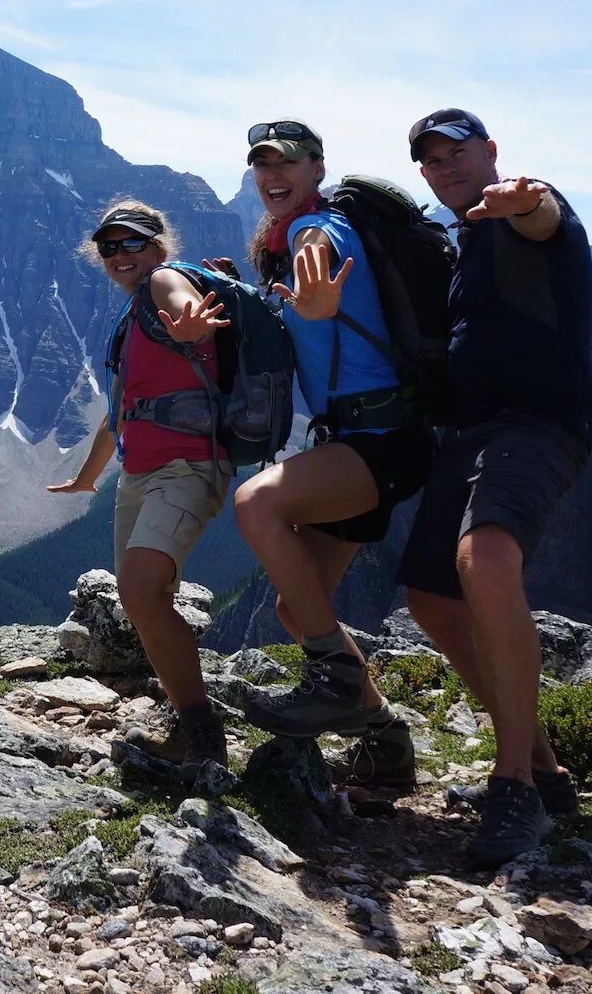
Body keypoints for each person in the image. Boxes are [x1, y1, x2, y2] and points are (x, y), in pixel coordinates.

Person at [400, 107, 592, 868]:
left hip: (536, 427)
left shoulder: (526, 213)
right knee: (431, 597)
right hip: (472, 435)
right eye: (431, 161)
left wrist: (525, 202)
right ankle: (546, 771)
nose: (445, 168)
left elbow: (542, 216)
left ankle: (513, 787)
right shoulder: (467, 242)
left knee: (484, 562)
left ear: (490, 151)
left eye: (457, 152)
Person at [229, 121, 431, 785]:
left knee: (256, 504)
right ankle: (385, 737)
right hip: (359, 441)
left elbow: (320, 263)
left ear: (316, 169)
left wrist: (314, 301)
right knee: (299, 604)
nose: (271, 174)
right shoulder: (290, 240)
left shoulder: (322, 232)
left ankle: (335, 679)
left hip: (380, 442)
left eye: (286, 162)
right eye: (261, 164)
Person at [46, 200, 236, 771]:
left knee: (144, 593)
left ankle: (203, 736)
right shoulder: (133, 319)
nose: (120, 255)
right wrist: (86, 480)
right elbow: (120, 411)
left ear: (158, 245)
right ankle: (188, 717)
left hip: (187, 466)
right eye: (109, 246)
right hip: (140, 474)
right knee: (138, 599)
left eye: (132, 243)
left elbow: (178, 297)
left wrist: (190, 319)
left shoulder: (163, 283)